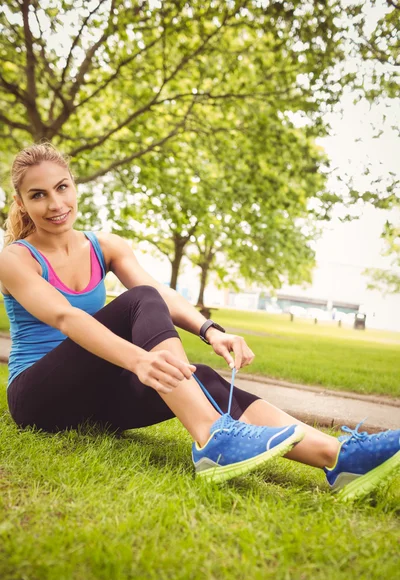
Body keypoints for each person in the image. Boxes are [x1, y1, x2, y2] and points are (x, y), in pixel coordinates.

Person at [0, 143, 398, 499]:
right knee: (138, 301)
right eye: (39, 195)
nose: (55, 204)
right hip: (39, 397)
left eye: (62, 187)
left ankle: (339, 458)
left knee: (202, 375)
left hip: (95, 397)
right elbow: (66, 317)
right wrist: (139, 360)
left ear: (74, 186)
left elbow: (161, 293)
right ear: (21, 202)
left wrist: (212, 331)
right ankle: (212, 437)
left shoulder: (105, 246)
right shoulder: (14, 259)